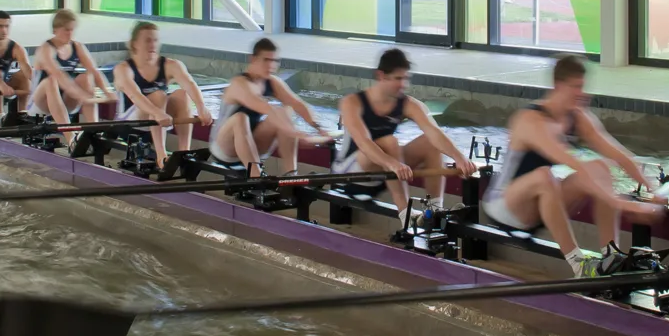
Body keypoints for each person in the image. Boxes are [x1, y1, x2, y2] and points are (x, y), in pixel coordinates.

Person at [482, 55, 666, 276]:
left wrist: (651, 188)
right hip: (506, 208)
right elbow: (576, 164)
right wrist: (622, 204)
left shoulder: (577, 117)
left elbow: (619, 154)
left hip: (541, 205)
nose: (583, 93)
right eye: (576, 87)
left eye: (583, 86)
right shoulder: (531, 121)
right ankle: (579, 264)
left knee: (601, 166)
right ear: (559, 86)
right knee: (545, 176)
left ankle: (610, 254)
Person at [332, 48, 474, 214]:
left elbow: (434, 132)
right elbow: (364, 143)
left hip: (385, 174)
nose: (403, 85)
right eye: (397, 78)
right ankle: (405, 213)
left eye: (406, 78)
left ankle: (435, 211)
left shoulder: (409, 104)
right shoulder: (352, 102)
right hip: (351, 175)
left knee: (430, 142)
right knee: (390, 142)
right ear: (381, 76)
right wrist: (393, 164)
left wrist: (460, 158)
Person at [212, 37, 329, 176]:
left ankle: (291, 175)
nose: (271, 66)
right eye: (266, 60)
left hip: (252, 146)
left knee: (285, 111)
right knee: (240, 118)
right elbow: (266, 109)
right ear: (253, 59)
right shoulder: (240, 83)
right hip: (225, 148)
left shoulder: (272, 82)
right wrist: (294, 132)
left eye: (274, 61)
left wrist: (319, 129)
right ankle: (256, 176)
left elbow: (299, 104)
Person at [111, 22, 212, 166]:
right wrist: (157, 112)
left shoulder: (171, 65)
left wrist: (202, 107)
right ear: (134, 44)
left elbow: (190, 84)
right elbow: (135, 95)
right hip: (129, 126)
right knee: (158, 95)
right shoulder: (123, 69)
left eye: (155, 40)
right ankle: (161, 156)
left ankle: (184, 153)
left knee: (182, 94)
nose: (152, 45)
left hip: (157, 122)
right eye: (147, 40)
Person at [29, 9, 114, 130]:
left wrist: (108, 91)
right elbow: (59, 76)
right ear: (55, 30)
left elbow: (95, 71)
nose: (70, 34)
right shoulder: (46, 49)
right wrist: (81, 95)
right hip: (42, 102)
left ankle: (94, 129)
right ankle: (70, 137)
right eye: (66, 30)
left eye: (72, 30)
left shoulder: (77, 46)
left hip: (66, 99)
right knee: (51, 81)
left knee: (86, 77)